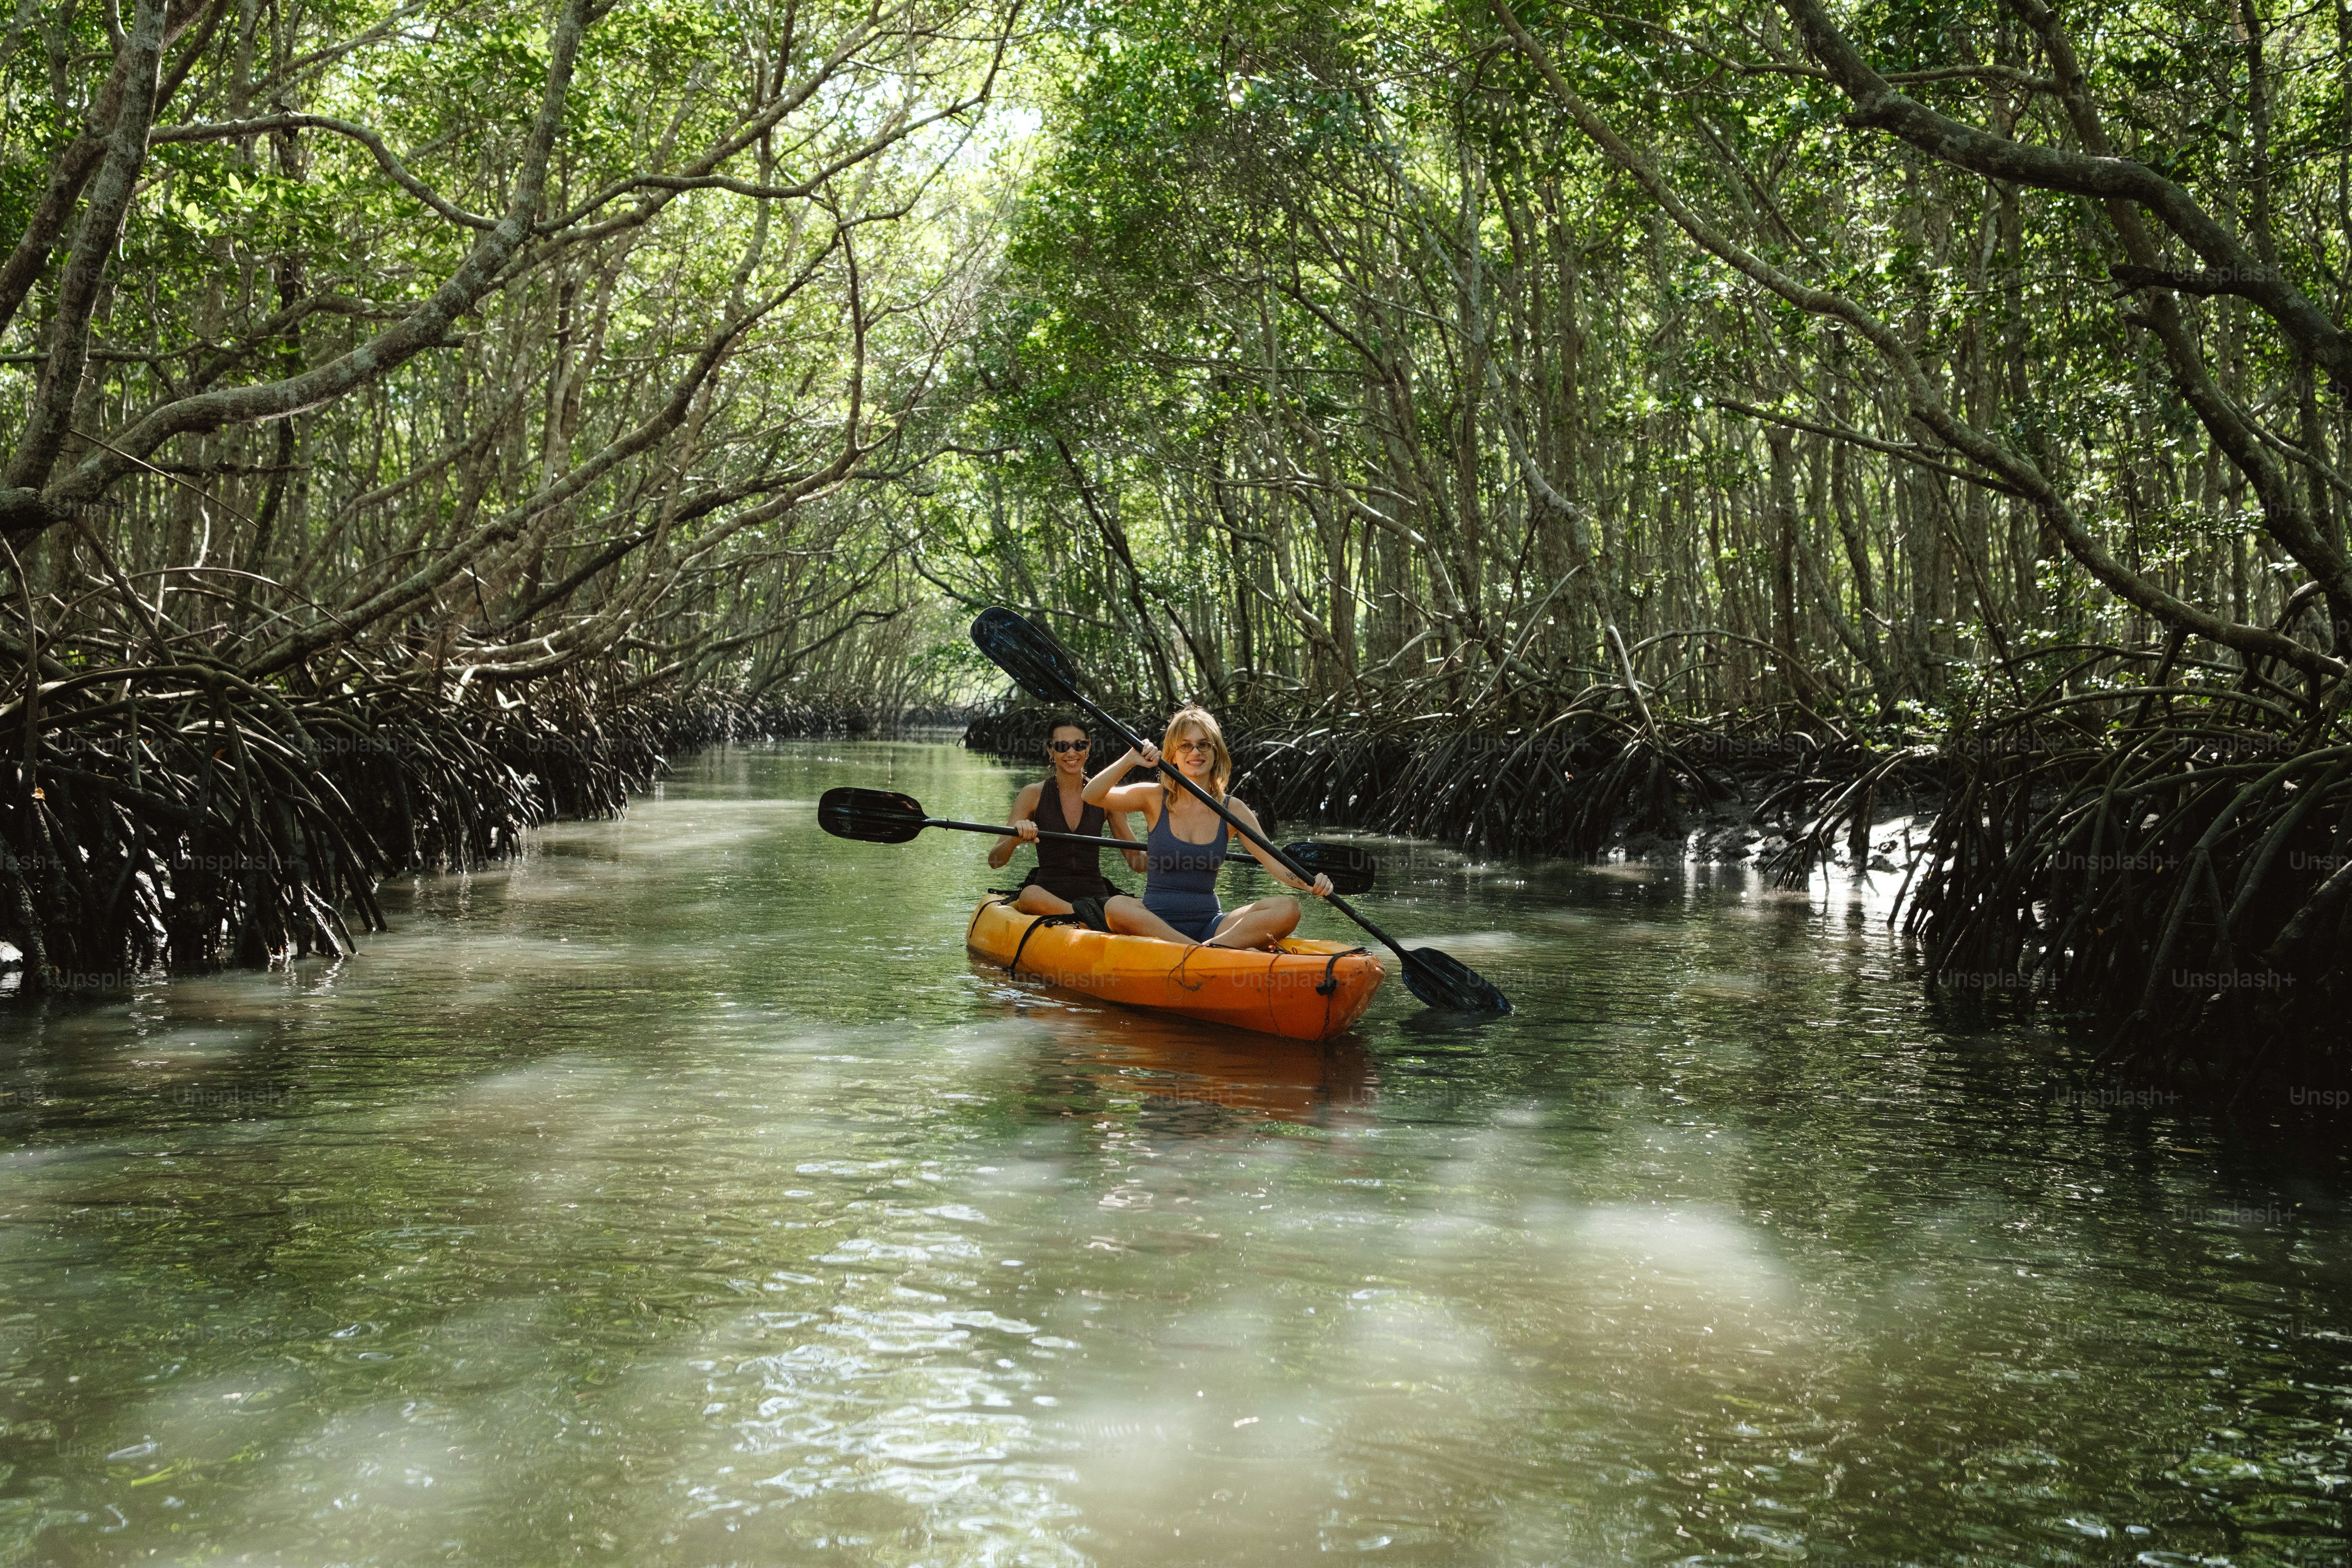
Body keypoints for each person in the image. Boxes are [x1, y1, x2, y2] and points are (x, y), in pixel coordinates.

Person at [1080, 704, 1333, 948]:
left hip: (1211, 926)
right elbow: (1091, 795)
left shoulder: (1233, 810)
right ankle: (1196, 951)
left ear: (1216, 753)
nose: (1196, 753)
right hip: (1155, 921)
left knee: (1288, 908)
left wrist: (1310, 883)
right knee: (1116, 907)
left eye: (1204, 745)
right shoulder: (1154, 797)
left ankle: (1209, 949)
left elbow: (1275, 863)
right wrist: (1130, 760)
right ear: (1173, 756)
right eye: (1186, 746)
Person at [987, 716, 1151, 932]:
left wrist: (1164, 848)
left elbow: (1137, 864)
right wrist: (1014, 840)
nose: (1072, 753)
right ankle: (1089, 919)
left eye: (1079, 745)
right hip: (1047, 896)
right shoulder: (1032, 795)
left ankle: (1089, 917)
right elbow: (996, 861)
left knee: (1130, 905)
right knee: (1029, 895)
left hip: (1096, 895)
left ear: (1088, 747)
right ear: (1050, 750)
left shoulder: (1108, 798)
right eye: (1063, 746)